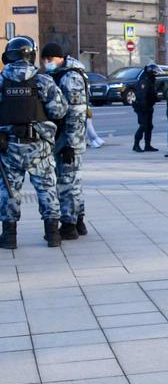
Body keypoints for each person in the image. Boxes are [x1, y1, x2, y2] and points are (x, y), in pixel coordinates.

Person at [0, 36, 68, 249]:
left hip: (9, 146)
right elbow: (60, 110)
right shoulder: (43, 81)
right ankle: (52, 234)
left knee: (9, 191)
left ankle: (9, 236)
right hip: (39, 146)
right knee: (46, 188)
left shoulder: (1, 81)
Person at [40, 43, 90, 240]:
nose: (46, 63)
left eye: (49, 59)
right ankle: (78, 221)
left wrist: (70, 143)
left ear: (59, 58)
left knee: (67, 180)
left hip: (68, 139)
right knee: (73, 180)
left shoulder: (70, 77)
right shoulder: (61, 74)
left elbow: (76, 114)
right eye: (44, 60)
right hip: (64, 137)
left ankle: (69, 224)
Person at [132, 63, 160, 152]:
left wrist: (156, 97)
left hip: (148, 107)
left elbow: (151, 94)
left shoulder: (150, 80)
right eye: (155, 72)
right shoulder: (144, 81)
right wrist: (144, 108)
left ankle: (147, 145)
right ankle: (136, 144)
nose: (156, 74)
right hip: (142, 107)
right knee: (143, 126)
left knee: (149, 126)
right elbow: (142, 96)